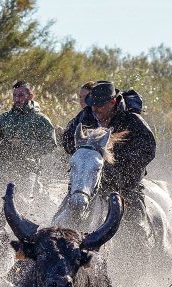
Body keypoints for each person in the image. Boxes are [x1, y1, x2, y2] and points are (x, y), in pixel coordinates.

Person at [61, 80, 157, 228]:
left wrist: (115, 163)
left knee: (136, 227)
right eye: (92, 104)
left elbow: (148, 150)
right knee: (60, 218)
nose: (95, 109)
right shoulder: (86, 115)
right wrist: (85, 152)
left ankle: (140, 241)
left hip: (125, 183)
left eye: (99, 105)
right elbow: (67, 139)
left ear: (113, 102)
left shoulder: (132, 120)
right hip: (87, 182)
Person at [0, 81, 56, 181]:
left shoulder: (40, 119)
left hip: (29, 171)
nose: (17, 99)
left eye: (21, 95)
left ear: (30, 96)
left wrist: (24, 144)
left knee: (24, 196)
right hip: (1, 169)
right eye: (15, 95)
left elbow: (50, 145)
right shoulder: (5, 118)